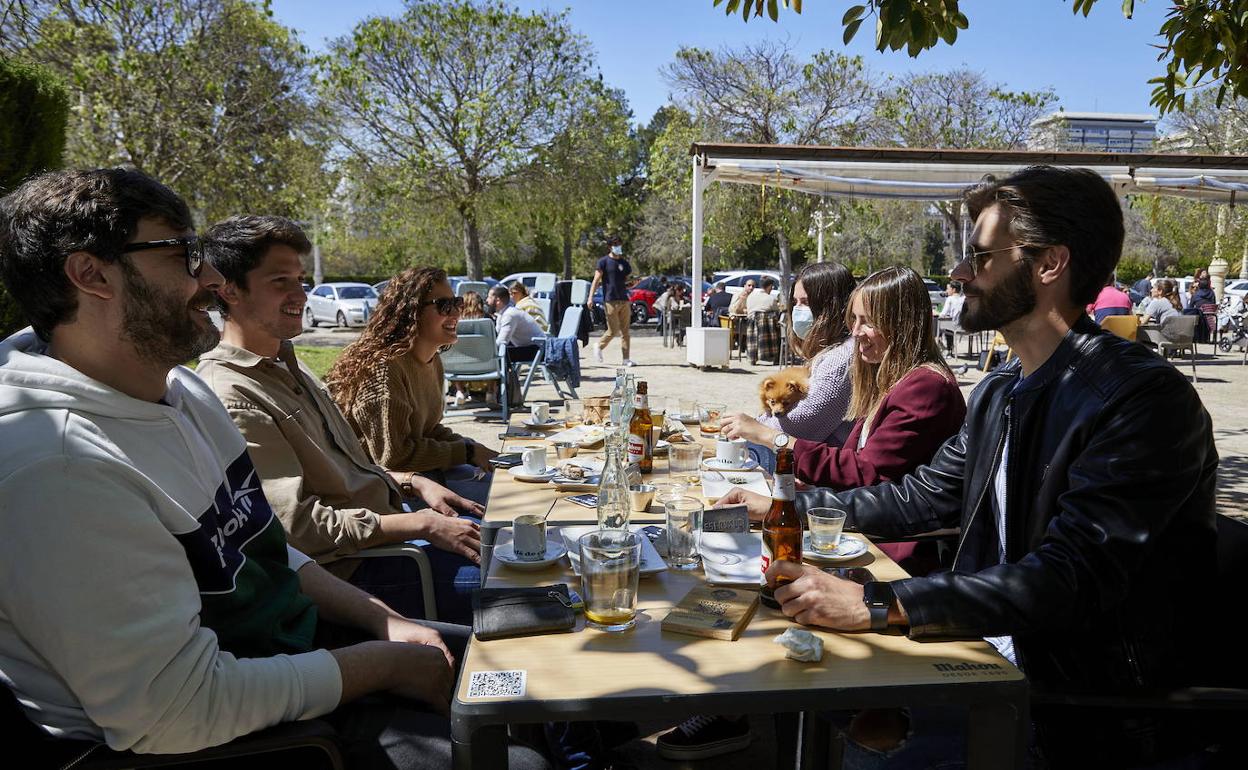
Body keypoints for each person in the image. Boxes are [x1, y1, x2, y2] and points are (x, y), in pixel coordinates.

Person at [0, 168, 546, 768]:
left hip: (303, 651)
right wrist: (384, 662)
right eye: (182, 253)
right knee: (521, 752)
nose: (208, 277)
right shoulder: (57, 467)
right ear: (90, 274)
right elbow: (176, 711)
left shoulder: (180, 391)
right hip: (240, 738)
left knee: (533, 677)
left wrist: (384, 623)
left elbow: (267, 548)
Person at [717, 165, 1218, 767]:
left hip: (1078, 712)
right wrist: (783, 507)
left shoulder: (1139, 400)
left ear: (1049, 264)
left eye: (980, 258)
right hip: (986, 653)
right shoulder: (1004, 387)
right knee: (788, 669)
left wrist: (879, 605)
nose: (958, 275)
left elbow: (1071, 577)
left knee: (845, 730)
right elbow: (919, 498)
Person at [197, 215, 483, 624]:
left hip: (394, 534)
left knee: (526, 543)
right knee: (515, 582)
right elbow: (295, 530)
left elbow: (355, 466)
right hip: (360, 571)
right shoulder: (231, 393)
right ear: (228, 290)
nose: (299, 294)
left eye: (300, 280)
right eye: (281, 281)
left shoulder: (289, 365)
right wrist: (419, 523)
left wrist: (413, 482)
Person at [327, 267, 499, 507]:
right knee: (497, 501)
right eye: (444, 305)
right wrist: (466, 453)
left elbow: (427, 430)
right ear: (411, 312)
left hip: (414, 475)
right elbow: (393, 457)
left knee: (503, 484)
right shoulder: (385, 369)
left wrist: (472, 448)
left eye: (457, 303)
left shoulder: (432, 360)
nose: (456, 313)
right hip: (377, 492)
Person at [721, 261, 858, 460]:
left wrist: (754, 427)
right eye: (795, 302)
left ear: (832, 306)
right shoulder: (832, 351)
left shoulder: (841, 358)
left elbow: (804, 423)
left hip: (824, 467)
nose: (798, 309)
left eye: (806, 302)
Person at [588, 235, 633, 366]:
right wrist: (590, 297)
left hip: (624, 300)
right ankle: (599, 346)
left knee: (625, 332)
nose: (618, 246)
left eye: (619, 244)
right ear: (610, 247)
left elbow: (625, 282)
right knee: (613, 331)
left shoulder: (624, 263)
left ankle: (626, 359)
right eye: (615, 244)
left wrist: (632, 283)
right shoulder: (603, 262)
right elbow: (596, 280)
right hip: (610, 301)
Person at [938, 280, 965, 356]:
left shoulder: (950, 299)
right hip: (964, 326)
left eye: (948, 289)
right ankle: (949, 348)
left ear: (953, 290)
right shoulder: (964, 298)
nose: (947, 291)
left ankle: (944, 347)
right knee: (947, 326)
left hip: (954, 326)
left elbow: (943, 313)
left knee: (941, 326)